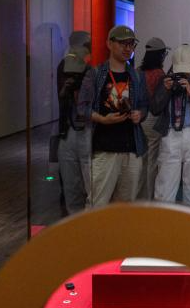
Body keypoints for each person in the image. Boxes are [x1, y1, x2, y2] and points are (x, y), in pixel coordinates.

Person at [77, 25, 149, 207]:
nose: (128, 48)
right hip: (104, 148)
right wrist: (102, 119)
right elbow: (81, 108)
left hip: (131, 147)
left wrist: (139, 114)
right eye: (123, 43)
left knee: (126, 206)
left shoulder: (137, 76)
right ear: (109, 44)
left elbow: (144, 105)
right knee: (97, 204)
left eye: (131, 44)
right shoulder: (95, 74)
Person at [151, 45, 190, 208]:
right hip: (170, 135)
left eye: (187, 71)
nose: (184, 74)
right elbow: (155, 109)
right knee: (164, 188)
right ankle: (163, 221)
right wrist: (165, 90)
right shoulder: (165, 82)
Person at [55, 31, 92, 214]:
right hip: (69, 128)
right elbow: (62, 97)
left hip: (84, 128)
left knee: (89, 184)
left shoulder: (88, 70)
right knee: (72, 185)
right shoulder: (64, 67)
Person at [136, 37, 168, 200]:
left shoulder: (138, 71)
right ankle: (147, 199)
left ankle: (138, 198)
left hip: (140, 118)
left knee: (141, 160)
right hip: (153, 119)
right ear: (160, 55)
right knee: (152, 162)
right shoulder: (159, 74)